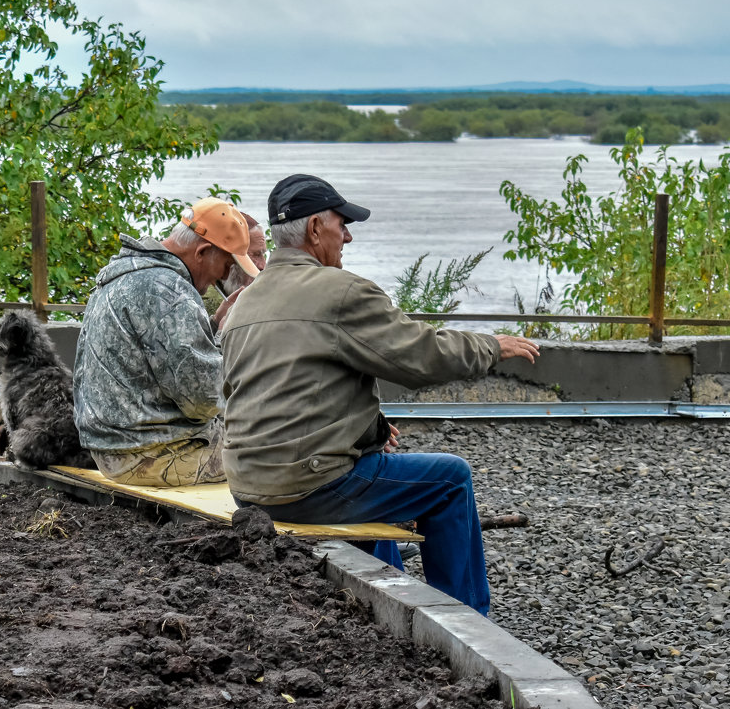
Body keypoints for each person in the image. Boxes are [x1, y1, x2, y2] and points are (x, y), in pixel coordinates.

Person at [220, 174, 540, 615]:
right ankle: (470, 620)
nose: (348, 235)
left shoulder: (244, 302)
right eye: (342, 223)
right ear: (315, 229)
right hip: (305, 487)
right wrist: (491, 346)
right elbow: (420, 357)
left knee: (377, 467)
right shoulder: (341, 292)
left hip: (247, 485)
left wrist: (370, 429)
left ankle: (390, 591)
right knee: (449, 478)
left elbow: (275, 389)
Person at [73, 197, 259, 487]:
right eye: (226, 263)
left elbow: (159, 361)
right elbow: (205, 401)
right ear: (203, 251)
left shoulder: (128, 274)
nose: (225, 275)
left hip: (112, 451)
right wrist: (226, 335)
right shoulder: (169, 291)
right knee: (274, 447)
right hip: (154, 458)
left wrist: (209, 326)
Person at [202, 212, 268, 330]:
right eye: (256, 255)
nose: (263, 266)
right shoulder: (204, 299)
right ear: (229, 258)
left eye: (263, 254)